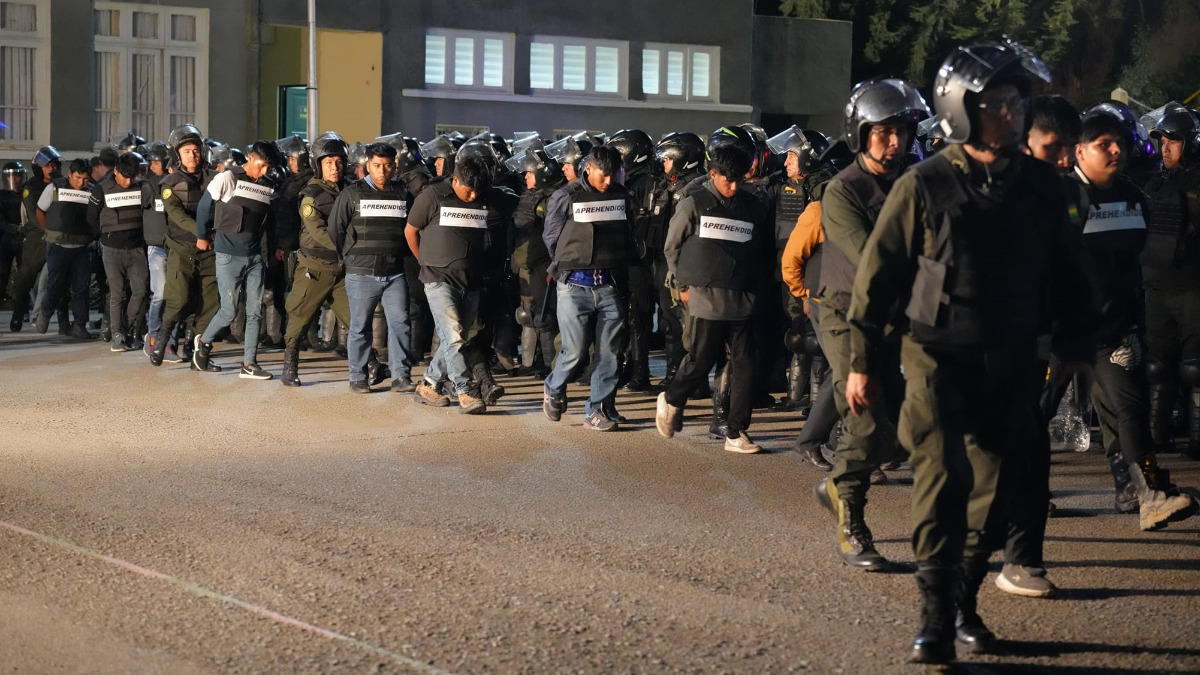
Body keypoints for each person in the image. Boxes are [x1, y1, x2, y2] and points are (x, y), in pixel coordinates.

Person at [846, 38, 1097, 664]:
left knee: (995, 486)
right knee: (940, 480)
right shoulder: (923, 186)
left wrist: (1073, 343)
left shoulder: (1042, 187)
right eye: (997, 104)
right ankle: (933, 618)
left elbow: (1070, 270)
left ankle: (965, 604)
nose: (1012, 114)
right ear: (961, 108)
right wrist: (862, 364)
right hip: (935, 356)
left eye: (1018, 102)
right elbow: (877, 280)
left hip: (1012, 358)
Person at [814, 77, 930, 572]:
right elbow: (873, 262)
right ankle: (852, 523)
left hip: (904, 316)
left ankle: (838, 482)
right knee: (864, 418)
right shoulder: (842, 190)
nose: (894, 141)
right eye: (881, 132)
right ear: (860, 134)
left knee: (914, 426)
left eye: (901, 130)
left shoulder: (920, 181)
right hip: (847, 314)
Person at [1070, 112, 1198, 531]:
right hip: (1055, 334)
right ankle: (1010, 495)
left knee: (1130, 408)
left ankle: (1146, 494)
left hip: (1110, 333)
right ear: (1079, 150)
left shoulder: (1132, 196)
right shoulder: (1055, 198)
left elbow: (1136, 262)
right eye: (1103, 143)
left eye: (1118, 143)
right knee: (1031, 418)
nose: (1115, 150)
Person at [655, 143, 771, 452]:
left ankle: (736, 432)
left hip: (741, 297)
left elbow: (760, 249)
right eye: (727, 180)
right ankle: (672, 398)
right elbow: (673, 246)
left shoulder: (753, 206)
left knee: (745, 365)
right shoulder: (694, 204)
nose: (733, 187)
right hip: (705, 296)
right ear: (713, 174)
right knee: (700, 360)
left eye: (739, 181)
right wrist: (681, 284)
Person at [541, 146, 634, 430]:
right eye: (603, 175)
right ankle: (554, 388)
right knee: (575, 351)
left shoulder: (622, 195)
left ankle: (597, 410)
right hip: (574, 287)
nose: (607, 182)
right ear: (589, 168)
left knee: (610, 353)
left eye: (612, 175)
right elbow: (552, 237)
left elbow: (628, 233)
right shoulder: (565, 195)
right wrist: (572, 261)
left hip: (609, 286)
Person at [405, 156, 497, 413]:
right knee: (454, 336)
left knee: (454, 339)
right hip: (438, 279)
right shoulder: (432, 196)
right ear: (455, 179)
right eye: (468, 189)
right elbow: (410, 231)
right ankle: (464, 391)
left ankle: (429, 385)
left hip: (471, 280)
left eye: (477, 190)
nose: (473, 195)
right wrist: (424, 261)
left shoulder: (482, 197)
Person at [327, 142, 417, 393]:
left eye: (388, 165)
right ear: (368, 165)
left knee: (400, 323)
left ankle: (401, 376)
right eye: (377, 166)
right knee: (360, 327)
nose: (382, 171)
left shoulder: (403, 193)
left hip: (395, 272)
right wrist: (350, 256)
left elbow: (412, 228)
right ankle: (358, 376)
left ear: (394, 165)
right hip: (361, 272)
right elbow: (336, 228)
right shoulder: (352, 193)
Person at [191, 140, 283, 379]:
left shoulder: (267, 186)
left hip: (254, 257)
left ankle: (249, 364)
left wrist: (273, 250)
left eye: (268, 168)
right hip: (228, 255)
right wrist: (202, 236)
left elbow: (270, 223)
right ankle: (203, 342)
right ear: (250, 158)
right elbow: (204, 207)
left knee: (255, 312)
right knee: (229, 311)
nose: (264, 172)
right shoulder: (228, 178)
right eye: (261, 166)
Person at [1142, 102, 1200, 460]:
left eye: (1173, 140)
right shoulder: (1153, 184)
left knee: (1195, 369)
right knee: (1156, 366)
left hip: (1192, 288)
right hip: (1156, 287)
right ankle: (1155, 436)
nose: (1165, 146)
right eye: (1162, 139)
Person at [147, 125, 219, 369]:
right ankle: (161, 342)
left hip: (210, 250)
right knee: (178, 298)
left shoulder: (215, 179)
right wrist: (200, 232)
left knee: (209, 302)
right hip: (182, 249)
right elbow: (176, 215)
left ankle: (196, 349)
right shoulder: (169, 184)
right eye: (187, 151)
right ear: (178, 155)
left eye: (195, 150)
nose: (192, 155)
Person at [507, 147, 565, 377]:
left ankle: (551, 366)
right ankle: (529, 363)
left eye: (530, 173)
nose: (526, 176)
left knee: (544, 316)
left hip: (543, 265)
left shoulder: (552, 199)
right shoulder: (528, 195)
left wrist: (554, 264)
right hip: (525, 264)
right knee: (526, 314)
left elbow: (556, 235)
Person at [88, 152, 150, 352]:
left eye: (132, 176)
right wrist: (102, 239)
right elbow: (91, 217)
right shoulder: (101, 190)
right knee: (117, 295)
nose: (128, 181)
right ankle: (116, 335)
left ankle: (127, 327)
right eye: (125, 176)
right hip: (112, 250)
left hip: (137, 248)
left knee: (140, 292)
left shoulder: (141, 187)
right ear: (115, 171)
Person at [34, 158, 95, 339]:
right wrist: (50, 232)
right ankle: (45, 314)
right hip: (58, 246)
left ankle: (79, 326)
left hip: (81, 247)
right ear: (70, 174)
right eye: (77, 178)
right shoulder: (54, 188)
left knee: (81, 288)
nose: (81, 183)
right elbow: (40, 211)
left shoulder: (91, 191)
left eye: (85, 179)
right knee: (56, 286)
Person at [11, 146, 62, 332]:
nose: (52, 168)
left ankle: (63, 322)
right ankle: (18, 314)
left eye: (54, 165)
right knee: (26, 277)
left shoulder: (62, 183)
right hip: (37, 239)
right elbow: (35, 215)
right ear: (38, 168)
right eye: (47, 166)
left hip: (58, 236)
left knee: (60, 280)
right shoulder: (30, 188)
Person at [0, 162, 25, 310]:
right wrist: (15, 228)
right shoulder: (2, 196)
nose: (15, 179)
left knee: (24, 276)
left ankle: (21, 307)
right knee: (2, 274)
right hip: (5, 241)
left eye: (17, 176)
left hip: (22, 239)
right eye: (11, 176)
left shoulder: (26, 194)